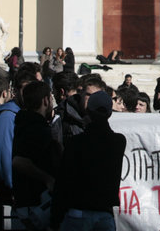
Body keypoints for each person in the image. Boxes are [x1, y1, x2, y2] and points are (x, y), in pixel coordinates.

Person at [53, 92, 127, 230]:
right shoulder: (118, 142)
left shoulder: (76, 143)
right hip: (104, 214)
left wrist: (55, 218)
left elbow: (63, 180)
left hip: (78, 213)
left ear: (88, 111)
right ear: (110, 113)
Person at [12, 81, 61, 230]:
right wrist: (48, 179)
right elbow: (18, 161)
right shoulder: (37, 128)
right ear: (45, 100)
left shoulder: (24, 123)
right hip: (34, 208)